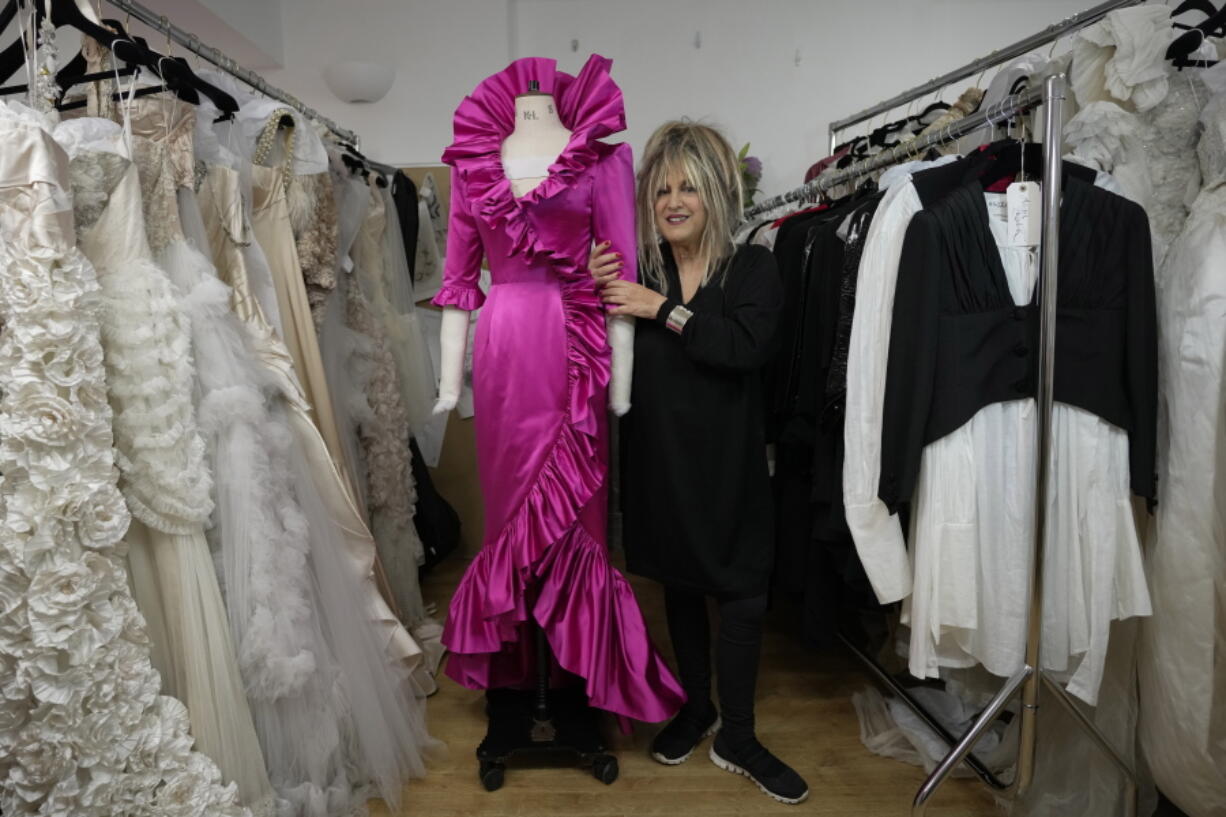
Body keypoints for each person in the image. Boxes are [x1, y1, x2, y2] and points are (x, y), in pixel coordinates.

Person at [590, 121, 808, 805]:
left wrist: (664, 310)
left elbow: (743, 344)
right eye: (662, 189)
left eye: (688, 187)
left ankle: (737, 734)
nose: (673, 200)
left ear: (715, 193)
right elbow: (597, 347)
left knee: (741, 593)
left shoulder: (752, 267)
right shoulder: (639, 267)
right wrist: (595, 285)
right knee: (680, 586)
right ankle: (697, 708)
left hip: (729, 467)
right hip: (659, 464)